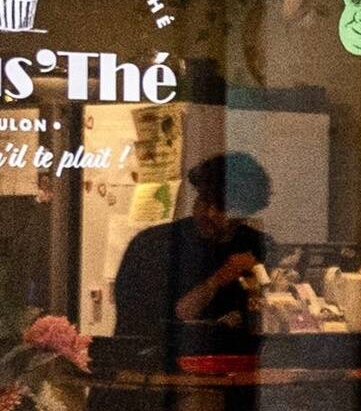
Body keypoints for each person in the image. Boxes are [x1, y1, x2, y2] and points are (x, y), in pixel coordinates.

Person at [110, 151, 273, 363]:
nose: (210, 213)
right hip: (160, 375)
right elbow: (149, 326)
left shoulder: (259, 247)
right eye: (204, 200)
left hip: (239, 380)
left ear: (245, 212)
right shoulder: (154, 245)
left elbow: (269, 327)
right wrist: (218, 280)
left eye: (223, 207)